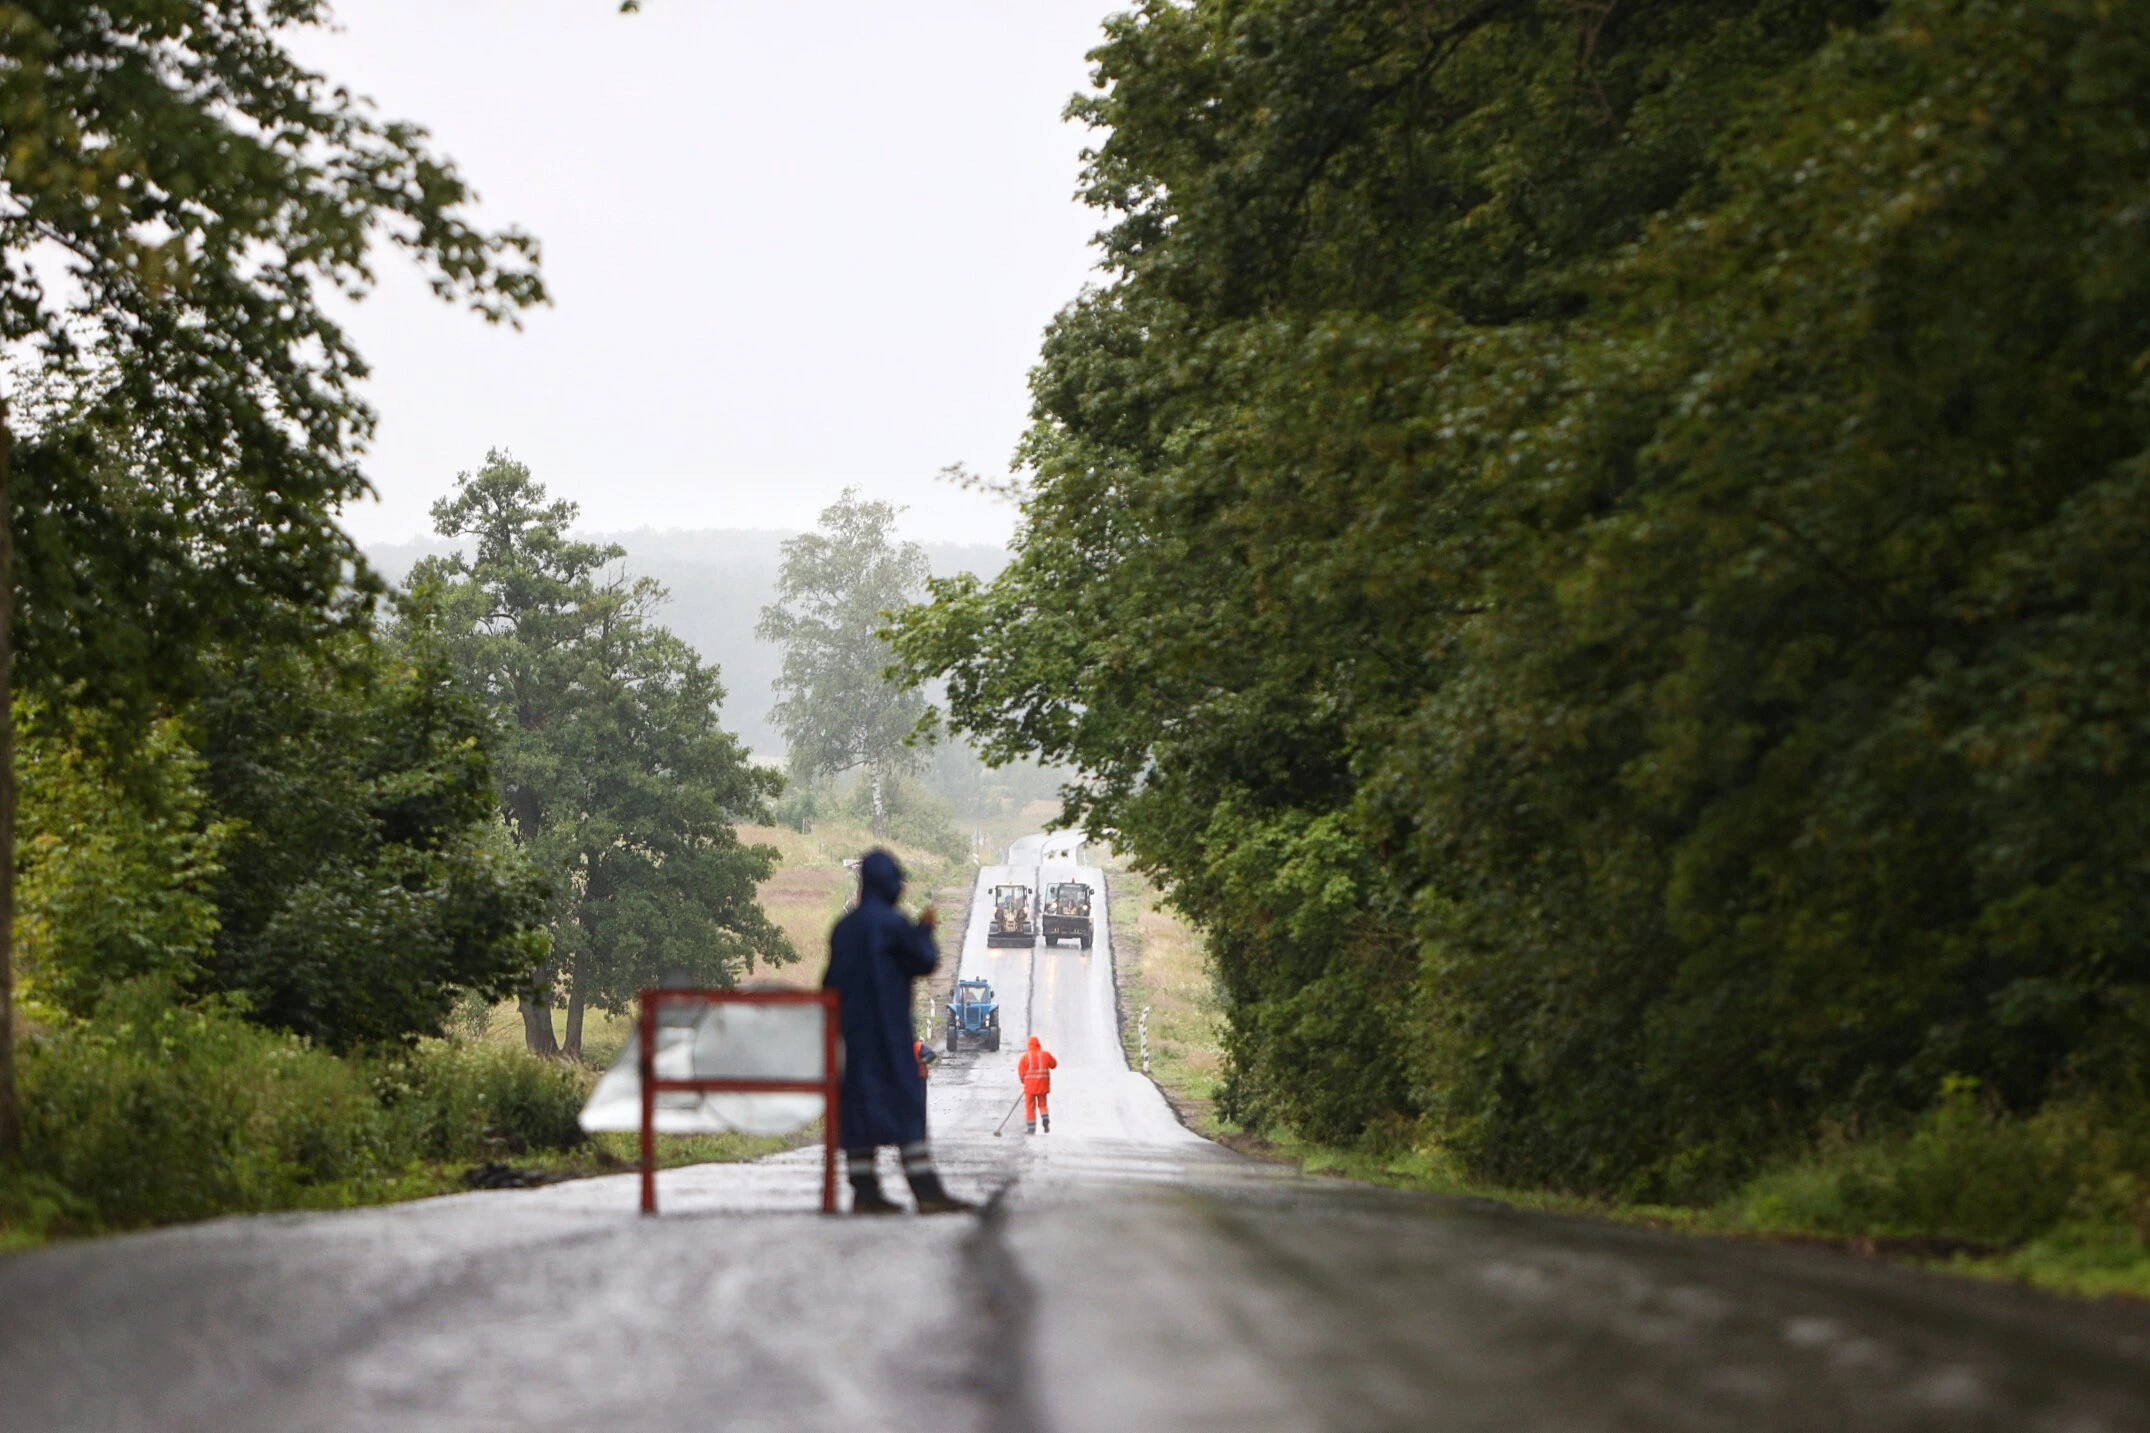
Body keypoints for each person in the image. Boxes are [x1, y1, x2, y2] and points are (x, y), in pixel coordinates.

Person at [823, 850, 974, 1215]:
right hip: (890, 1034)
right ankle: (926, 1192)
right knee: (906, 1103)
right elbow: (924, 961)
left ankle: (865, 1192)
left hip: (853, 1035)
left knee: (858, 1106)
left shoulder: (845, 928)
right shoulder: (894, 924)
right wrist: (924, 930)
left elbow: (829, 982)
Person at [1018, 1034, 1058, 1134]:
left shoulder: (1025, 1057)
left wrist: (1024, 1082)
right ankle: (1045, 1117)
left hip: (1030, 1087)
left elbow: (1021, 1073)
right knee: (1043, 1104)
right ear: (1038, 1044)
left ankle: (1031, 1129)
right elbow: (1054, 1065)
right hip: (1042, 1086)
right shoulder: (1045, 1055)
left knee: (1030, 1107)